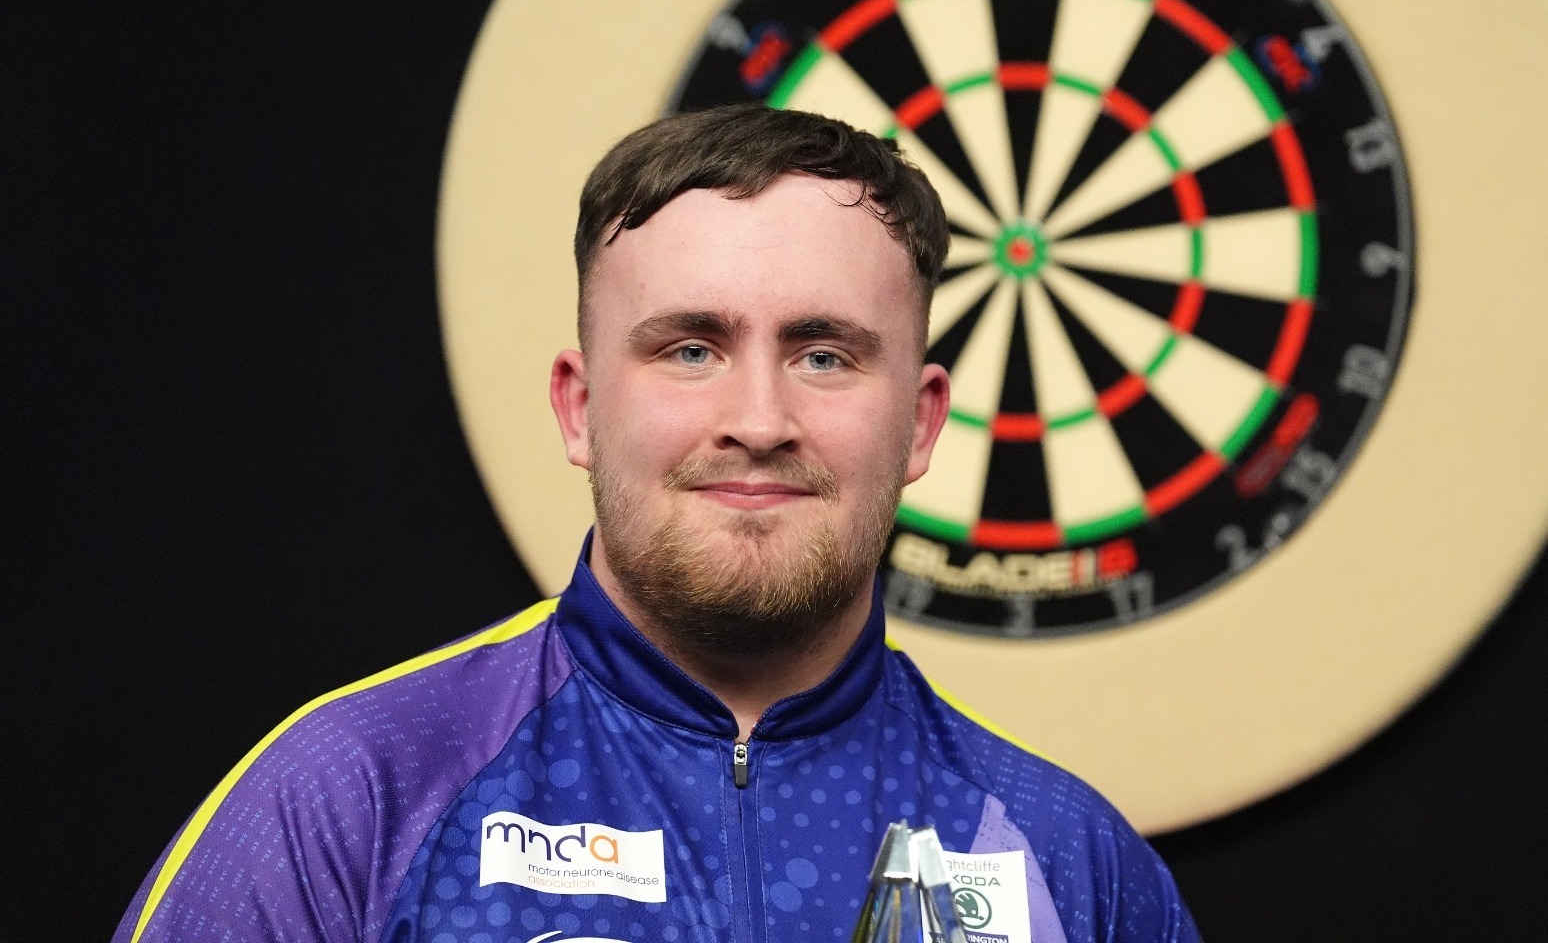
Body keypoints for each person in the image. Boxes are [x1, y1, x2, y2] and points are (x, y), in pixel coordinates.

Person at [115, 105, 1198, 943]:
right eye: (690, 348)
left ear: (918, 423)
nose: (759, 421)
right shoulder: (350, 794)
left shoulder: (1065, 860)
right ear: (580, 407)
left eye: (824, 354)